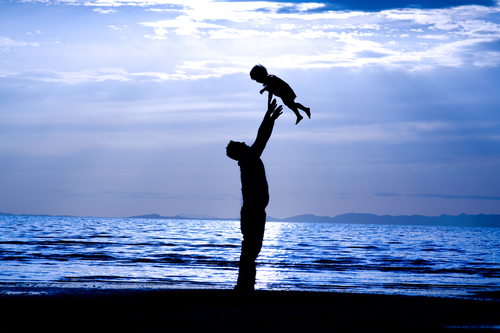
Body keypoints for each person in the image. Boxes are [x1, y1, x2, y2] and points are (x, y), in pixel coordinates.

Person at [226, 98, 283, 292]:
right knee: (251, 249)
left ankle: (245, 285)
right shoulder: (249, 159)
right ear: (240, 150)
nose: (244, 142)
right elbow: (261, 138)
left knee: (250, 249)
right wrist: (269, 117)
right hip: (253, 211)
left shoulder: (247, 160)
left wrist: (269, 118)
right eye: (241, 143)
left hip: (253, 210)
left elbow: (260, 138)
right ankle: (244, 286)